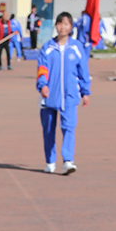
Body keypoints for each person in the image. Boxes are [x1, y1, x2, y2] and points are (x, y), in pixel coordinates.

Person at [35, 10, 90, 174]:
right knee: (48, 129)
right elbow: (42, 69)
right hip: (49, 95)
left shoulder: (76, 47)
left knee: (69, 127)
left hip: (70, 95)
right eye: (59, 23)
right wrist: (42, 85)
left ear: (71, 26)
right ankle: (50, 161)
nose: (62, 27)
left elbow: (83, 71)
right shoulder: (48, 47)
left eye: (66, 24)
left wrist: (85, 92)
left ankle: (68, 160)